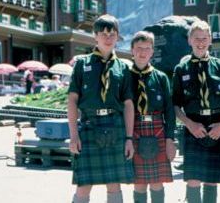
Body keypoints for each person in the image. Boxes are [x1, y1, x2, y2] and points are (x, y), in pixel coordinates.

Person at [67, 14, 134, 203]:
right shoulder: (82, 64)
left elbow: (128, 105)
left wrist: (129, 138)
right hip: (89, 125)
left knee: (114, 183)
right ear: (95, 36)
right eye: (103, 33)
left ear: (117, 37)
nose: (107, 37)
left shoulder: (123, 67)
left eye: (112, 33)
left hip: (115, 125)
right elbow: (72, 100)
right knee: (84, 185)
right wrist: (73, 135)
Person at [172, 19, 220, 203]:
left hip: (218, 125)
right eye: (196, 38)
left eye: (204, 38)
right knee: (193, 179)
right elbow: (175, 105)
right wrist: (189, 124)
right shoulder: (181, 69)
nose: (200, 42)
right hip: (194, 126)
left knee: (211, 180)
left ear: (210, 40)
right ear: (189, 40)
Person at [129, 31, 176, 203]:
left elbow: (170, 111)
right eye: (139, 48)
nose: (143, 52)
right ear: (132, 50)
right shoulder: (125, 77)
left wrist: (170, 139)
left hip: (157, 131)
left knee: (157, 183)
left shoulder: (161, 77)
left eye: (147, 48)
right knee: (139, 183)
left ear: (152, 51)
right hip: (134, 130)